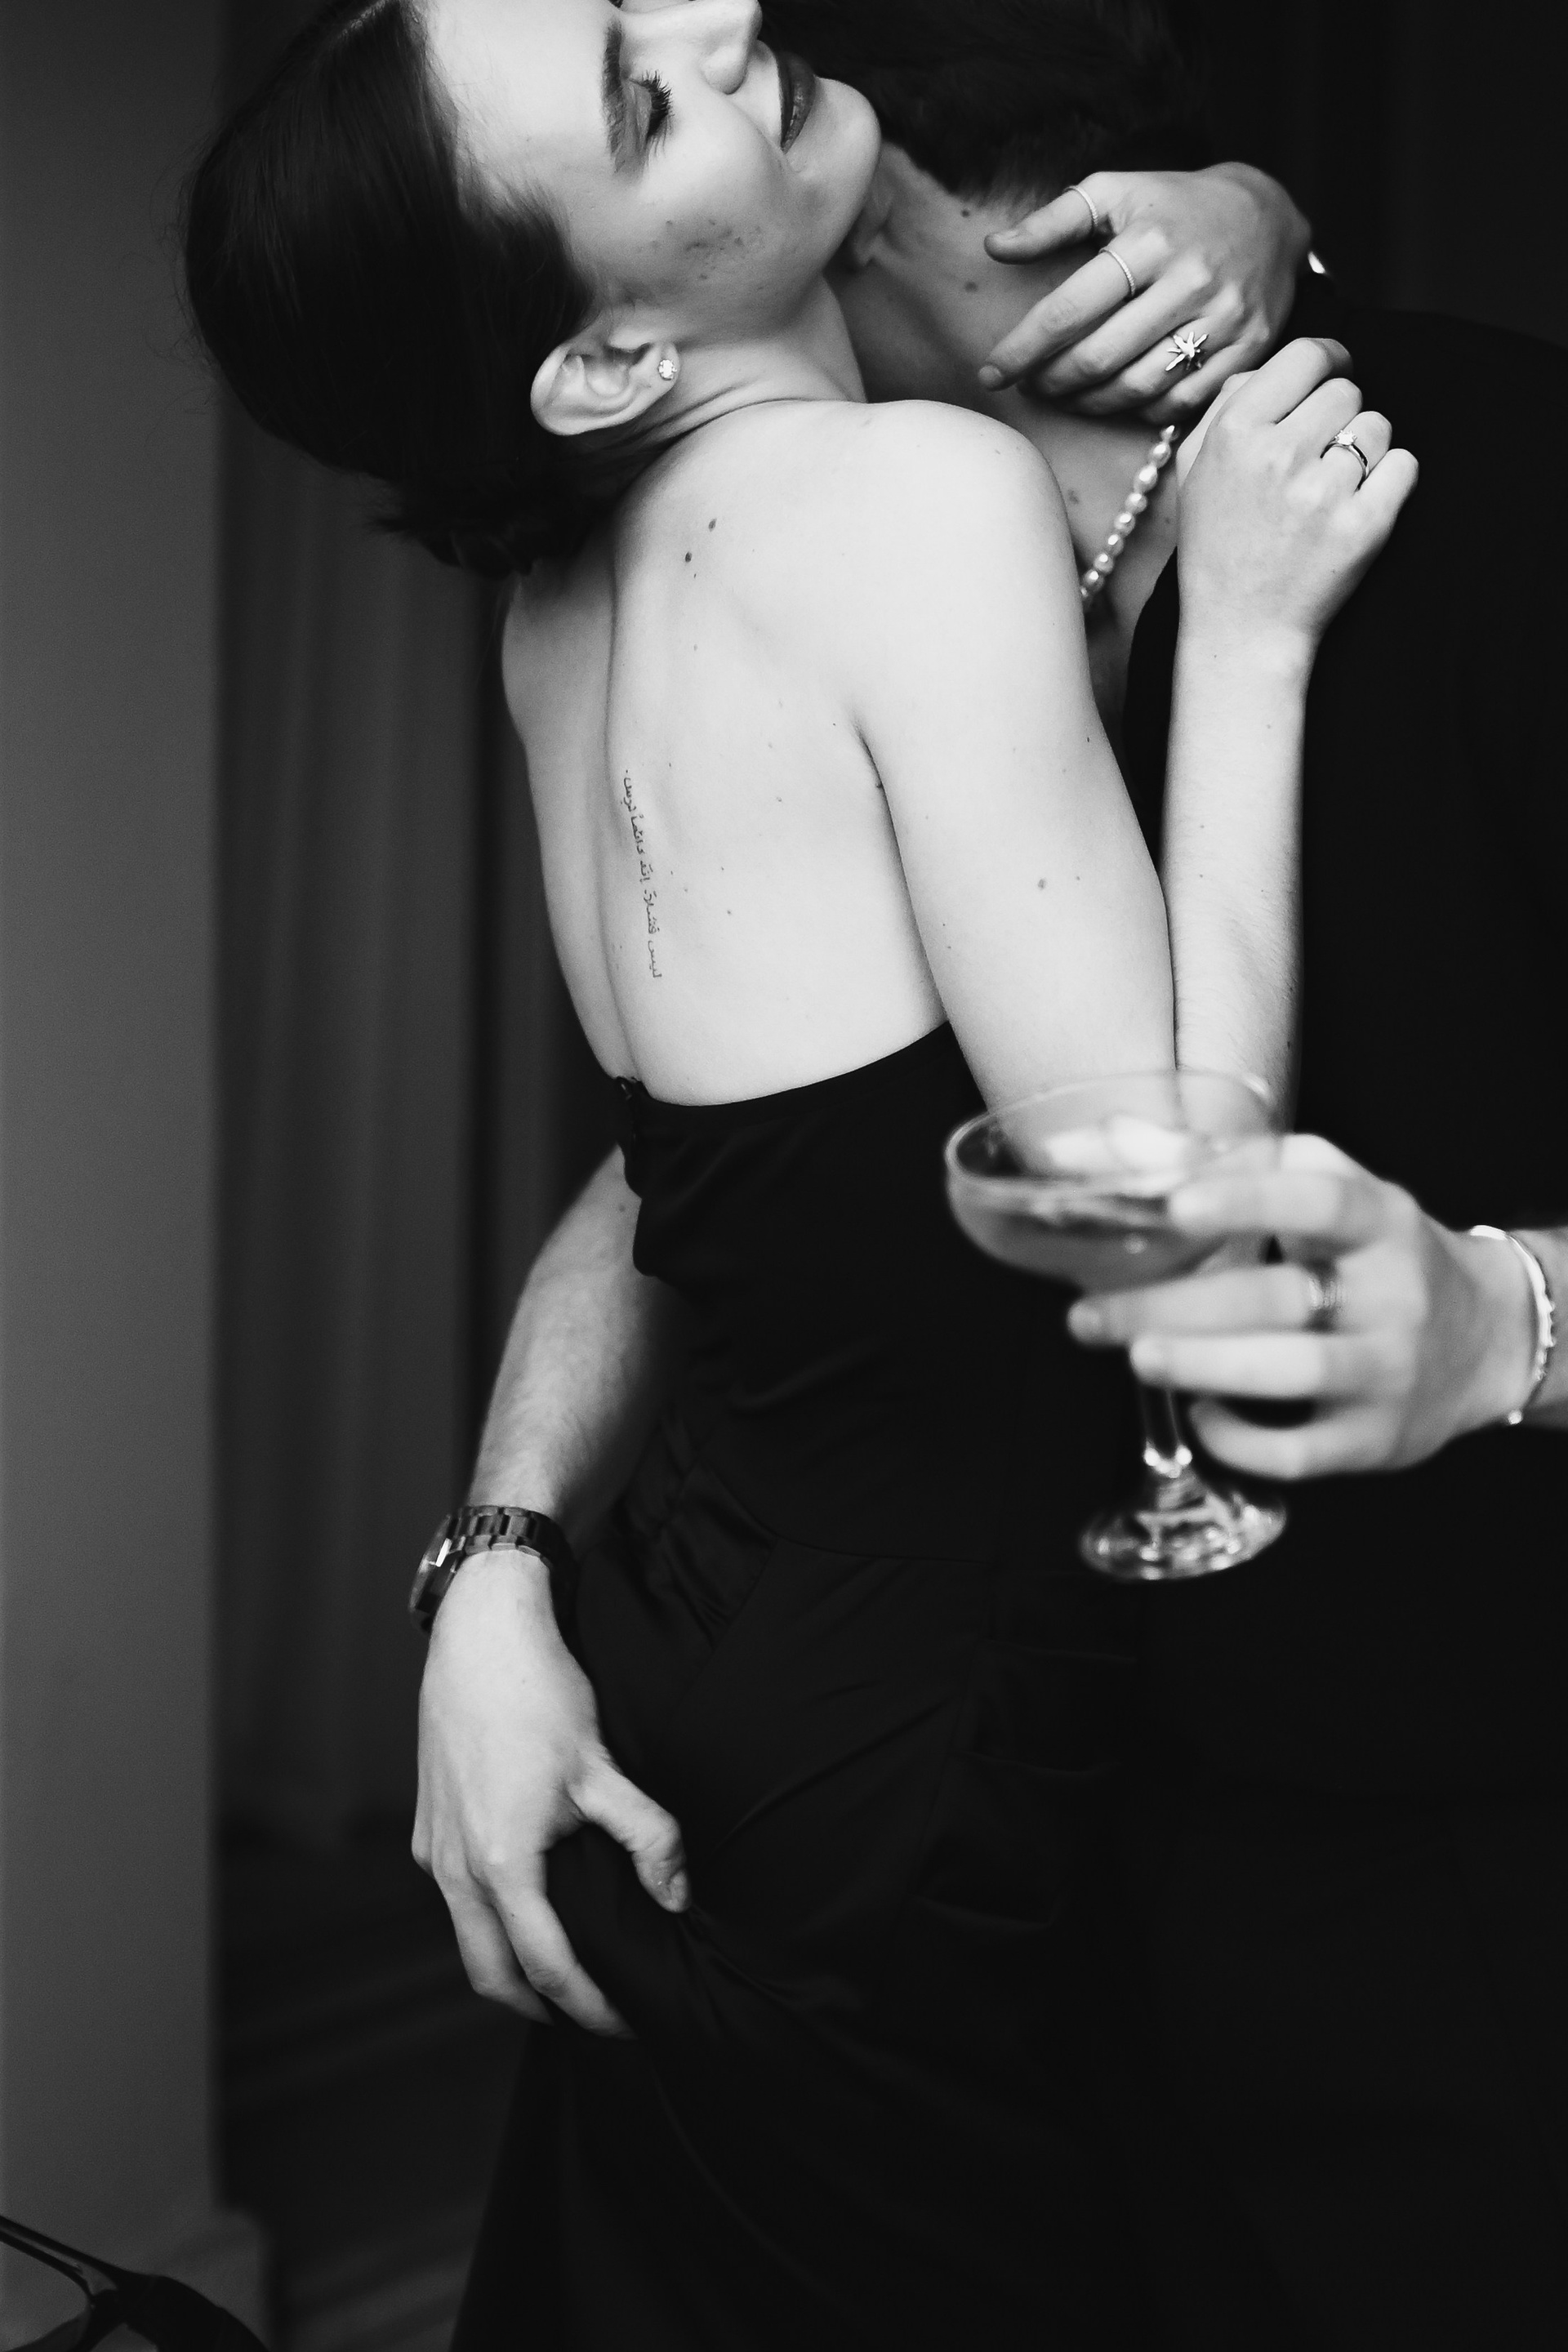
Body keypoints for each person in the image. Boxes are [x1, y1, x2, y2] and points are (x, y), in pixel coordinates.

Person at [182, 2, 1411, 2344]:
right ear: (605, 354)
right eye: (641, 97)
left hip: (695, 1679)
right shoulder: (906, 504)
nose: (723, 20)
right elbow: (1177, 1225)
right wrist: (1250, 639)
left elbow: (722, 1183)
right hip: (915, 1740)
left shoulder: (559, 619)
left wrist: (1249, 220)